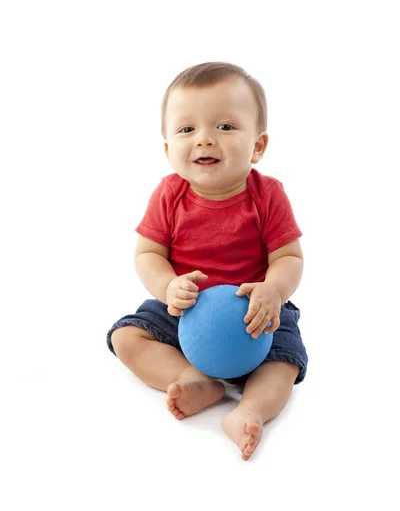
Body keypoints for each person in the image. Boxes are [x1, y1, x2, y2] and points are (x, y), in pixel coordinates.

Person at [106, 61, 308, 461]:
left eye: (225, 127)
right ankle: (192, 378)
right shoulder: (169, 195)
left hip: (257, 314)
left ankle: (248, 411)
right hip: (185, 310)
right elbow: (148, 254)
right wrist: (168, 287)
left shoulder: (267, 195)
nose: (204, 140)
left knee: (283, 363)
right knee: (125, 337)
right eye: (187, 129)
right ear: (168, 149)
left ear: (258, 146)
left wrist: (273, 290)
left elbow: (289, 257)